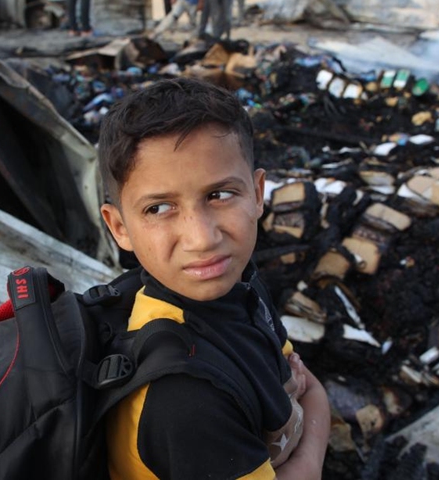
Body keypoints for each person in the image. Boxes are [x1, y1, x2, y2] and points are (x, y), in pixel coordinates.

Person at [98, 77, 331, 479]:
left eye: (219, 195)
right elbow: (311, 398)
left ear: (258, 194)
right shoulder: (185, 399)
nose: (203, 238)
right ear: (119, 227)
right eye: (159, 208)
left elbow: (306, 381)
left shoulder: (240, 283)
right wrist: (308, 457)